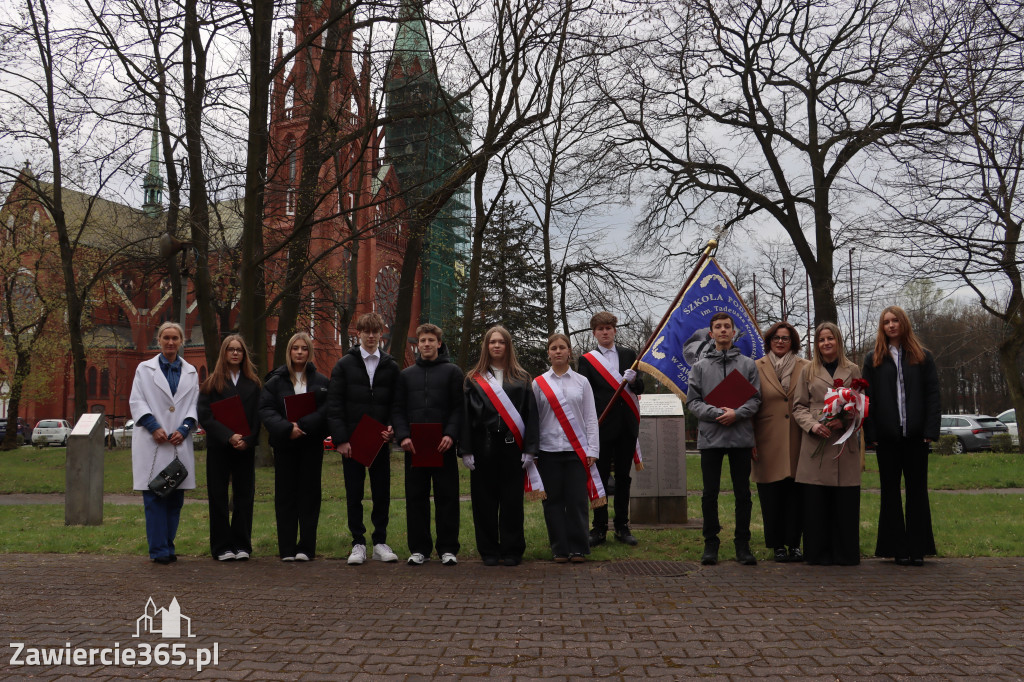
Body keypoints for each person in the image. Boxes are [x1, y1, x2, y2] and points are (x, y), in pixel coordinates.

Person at [862, 306, 940, 566]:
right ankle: (897, 548)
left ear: (904, 323)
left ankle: (918, 548)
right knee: (890, 493)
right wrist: (870, 433)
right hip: (887, 438)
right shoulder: (873, 359)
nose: (891, 325)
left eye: (896, 321)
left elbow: (932, 396)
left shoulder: (923, 357)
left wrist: (930, 431)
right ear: (882, 327)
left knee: (917, 492)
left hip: (916, 436)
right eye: (886, 322)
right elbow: (867, 399)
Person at [686, 312, 762, 566]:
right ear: (711, 334)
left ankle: (743, 544)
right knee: (710, 494)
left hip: (740, 436)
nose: (722, 331)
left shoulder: (749, 365)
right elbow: (693, 402)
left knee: (743, 494)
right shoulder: (699, 367)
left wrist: (737, 414)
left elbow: (756, 399)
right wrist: (718, 413)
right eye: (717, 327)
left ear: (733, 332)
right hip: (711, 437)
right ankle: (711, 544)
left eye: (727, 326)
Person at [327, 312, 401, 566]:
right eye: (366, 332)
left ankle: (380, 541)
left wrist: (392, 428)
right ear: (358, 334)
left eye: (375, 331)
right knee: (353, 493)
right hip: (352, 442)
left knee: (382, 492)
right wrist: (341, 439)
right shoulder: (344, 365)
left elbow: (396, 404)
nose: (371, 336)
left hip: (379, 440)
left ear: (381, 333)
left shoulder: (391, 366)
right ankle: (358, 542)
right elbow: (334, 405)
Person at [462, 326, 540, 566]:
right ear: (486, 346)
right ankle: (488, 550)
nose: (496, 345)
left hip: (511, 447)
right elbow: (465, 416)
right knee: (484, 501)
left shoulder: (522, 378)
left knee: (512, 501)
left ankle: (512, 549)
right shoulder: (472, 378)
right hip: (482, 446)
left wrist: (530, 449)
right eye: (492, 342)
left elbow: (531, 416)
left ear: (508, 345)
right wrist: (465, 450)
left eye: (501, 342)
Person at [393, 324, 464, 566]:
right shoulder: (405, 375)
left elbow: (458, 408)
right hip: (414, 447)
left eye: (431, 340)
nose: (426, 344)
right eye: (422, 340)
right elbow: (398, 409)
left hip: (443, 446)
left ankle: (448, 549)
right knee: (415, 499)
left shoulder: (453, 372)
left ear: (439, 344)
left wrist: (451, 435)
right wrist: (403, 436)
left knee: (447, 498)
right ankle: (419, 549)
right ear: (418, 344)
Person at [793, 322, 863, 566]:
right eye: (821, 340)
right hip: (816, 442)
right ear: (816, 344)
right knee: (816, 503)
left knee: (844, 502)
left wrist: (845, 420)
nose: (826, 343)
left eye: (830, 339)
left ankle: (845, 553)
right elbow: (798, 406)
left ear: (838, 341)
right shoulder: (807, 371)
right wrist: (812, 425)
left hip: (843, 443)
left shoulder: (852, 369)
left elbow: (861, 403)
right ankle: (818, 553)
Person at [129, 322, 199, 564]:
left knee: (175, 499)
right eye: (166, 338)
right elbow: (137, 401)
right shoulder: (144, 369)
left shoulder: (190, 371)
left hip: (178, 442)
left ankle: (168, 546)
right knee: (155, 496)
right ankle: (158, 550)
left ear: (181, 342)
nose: (170, 342)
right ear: (159, 340)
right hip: (153, 442)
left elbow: (193, 404)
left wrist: (185, 428)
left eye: (175, 338)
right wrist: (153, 427)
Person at [258, 332, 330, 562]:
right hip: (284, 446)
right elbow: (267, 411)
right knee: (285, 496)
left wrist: (304, 425)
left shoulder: (321, 383)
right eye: (295, 348)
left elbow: (327, 411)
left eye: (304, 348)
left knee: (309, 496)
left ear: (309, 352)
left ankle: (306, 548)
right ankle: (287, 548)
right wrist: (287, 428)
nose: (299, 352)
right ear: (289, 352)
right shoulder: (275, 382)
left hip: (310, 445)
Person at [577, 311, 645, 548]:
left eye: (609, 328)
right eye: (600, 329)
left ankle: (622, 527)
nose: (605, 332)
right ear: (594, 333)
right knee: (600, 477)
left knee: (624, 478)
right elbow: (585, 393)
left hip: (626, 425)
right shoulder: (586, 360)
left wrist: (634, 380)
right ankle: (599, 528)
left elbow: (640, 388)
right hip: (601, 426)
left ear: (615, 330)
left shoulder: (628, 354)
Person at [532, 333, 600, 563]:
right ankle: (559, 549)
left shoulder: (582, 382)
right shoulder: (538, 383)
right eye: (554, 348)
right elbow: (535, 419)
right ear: (548, 352)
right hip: (548, 451)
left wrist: (593, 449)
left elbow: (591, 418)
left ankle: (578, 548)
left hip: (576, 451)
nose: (558, 351)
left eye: (562, 347)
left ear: (569, 351)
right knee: (552, 502)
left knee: (577, 501)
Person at [197, 334, 262, 561]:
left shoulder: (253, 384)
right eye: (231, 349)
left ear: (244, 354)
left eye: (239, 350)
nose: (235, 353)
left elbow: (257, 416)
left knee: (245, 494)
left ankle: (242, 543)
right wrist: (228, 436)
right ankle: (221, 546)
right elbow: (205, 416)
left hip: (244, 446)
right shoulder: (211, 383)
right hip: (220, 446)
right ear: (224, 353)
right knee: (218, 495)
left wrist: (248, 439)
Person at [752, 321, 808, 562]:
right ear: (769, 341)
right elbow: (749, 405)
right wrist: (750, 439)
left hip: (798, 438)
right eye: (776, 337)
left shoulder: (806, 366)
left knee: (796, 495)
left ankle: (795, 543)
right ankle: (777, 545)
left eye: (785, 338)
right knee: (771, 495)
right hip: (766, 439)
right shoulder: (756, 367)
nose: (780, 341)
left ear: (793, 342)